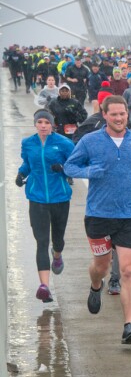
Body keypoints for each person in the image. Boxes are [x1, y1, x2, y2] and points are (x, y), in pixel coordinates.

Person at [63, 96, 131, 344]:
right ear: (104, 114)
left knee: (129, 270)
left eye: (123, 114)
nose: (119, 118)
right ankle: (96, 285)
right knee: (102, 266)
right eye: (114, 114)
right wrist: (88, 171)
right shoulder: (90, 141)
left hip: (130, 214)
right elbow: (69, 167)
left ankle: (129, 325)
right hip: (99, 214)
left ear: (128, 114)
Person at [16, 110, 75, 302]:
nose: (43, 125)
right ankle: (44, 286)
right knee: (41, 241)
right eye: (39, 122)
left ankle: (57, 255)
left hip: (60, 197)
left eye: (46, 122)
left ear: (52, 125)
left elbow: (76, 164)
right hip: (37, 197)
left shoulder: (64, 143)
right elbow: (27, 163)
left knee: (57, 239)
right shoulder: (28, 143)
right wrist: (21, 174)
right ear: (35, 124)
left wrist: (64, 169)